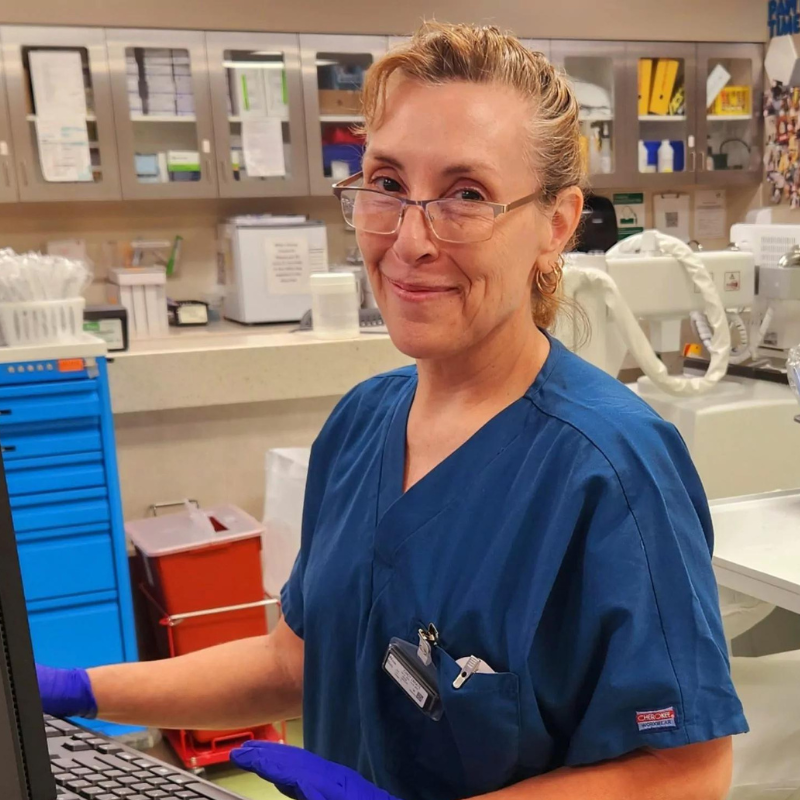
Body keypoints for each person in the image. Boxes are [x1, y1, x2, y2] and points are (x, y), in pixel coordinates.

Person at [38, 22, 747, 800]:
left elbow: (688, 772)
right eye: (385, 184)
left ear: (555, 223)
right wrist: (81, 690)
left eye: (466, 195)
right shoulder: (362, 423)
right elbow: (297, 662)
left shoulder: (608, 469)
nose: (410, 240)